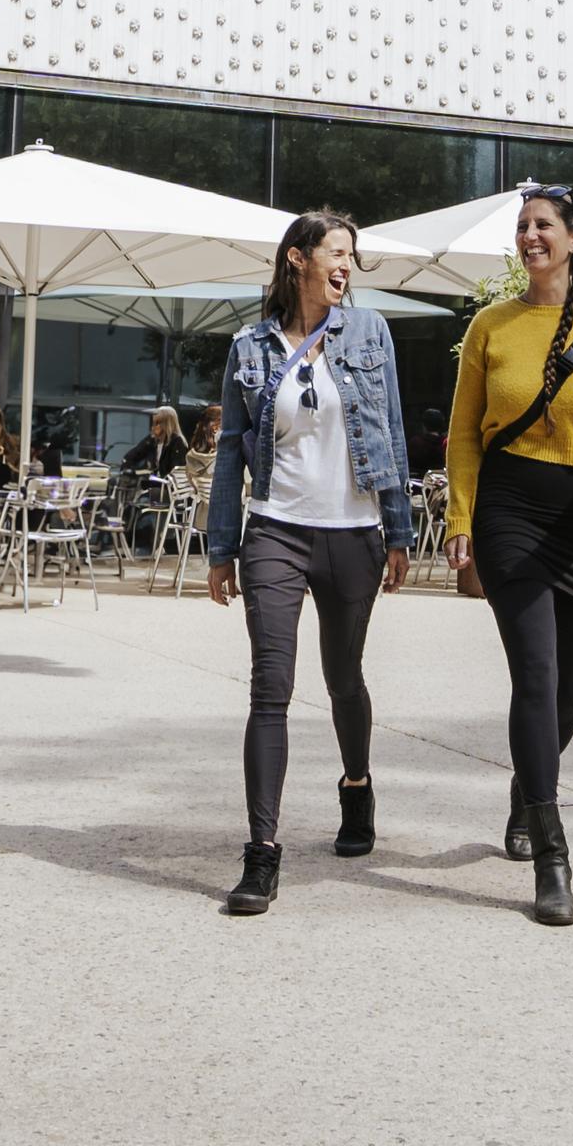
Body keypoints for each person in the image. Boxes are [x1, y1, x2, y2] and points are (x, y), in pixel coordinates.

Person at [448, 185, 573, 928]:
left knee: (567, 693)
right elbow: (465, 434)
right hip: (512, 512)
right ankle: (552, 855)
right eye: (523, 227)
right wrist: (460, 518)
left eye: (543, 226)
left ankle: (524, 790)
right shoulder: (490, 327)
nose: (530, 237)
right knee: (534, 676)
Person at [203, 209, 416, 918]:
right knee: (272, 686)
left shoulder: (370, 333)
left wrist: (399, 529)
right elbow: (232, 450)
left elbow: (390, 428)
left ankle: (356, 784)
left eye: (351, 255)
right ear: (297, 259)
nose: (346, 265)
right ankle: (261, 854)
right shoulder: (249, 346)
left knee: (343, 676)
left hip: (353, 531)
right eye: (335, 251)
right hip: (277, 531)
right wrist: (222, 546)